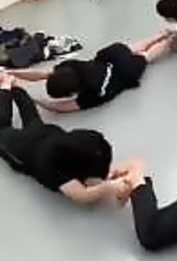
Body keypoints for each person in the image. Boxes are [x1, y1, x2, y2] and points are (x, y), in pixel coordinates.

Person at [0, 73, 130, 205]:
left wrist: (108, 182)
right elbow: (83, 196)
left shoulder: (77, 147)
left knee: (31, 117)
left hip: (45, 134)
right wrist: (109, 187)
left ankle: (12, 86)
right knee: (6, 127)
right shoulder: (55, 169)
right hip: (25, 147)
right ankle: (7, 87)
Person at [7, 33, 173, 113]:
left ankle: (170, 41)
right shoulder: (70, 66)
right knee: (137, 46)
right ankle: (163, 33)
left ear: (71, 92)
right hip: (109, 56)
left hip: (124, 72)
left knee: (146, 56)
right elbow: (41, 73)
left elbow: (60, 107)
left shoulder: (92, 93)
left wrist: (32, 98)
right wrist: (11, 71)